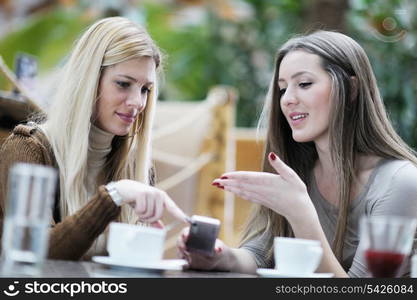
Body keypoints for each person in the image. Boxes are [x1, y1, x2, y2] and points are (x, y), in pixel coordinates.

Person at [177, 30, 417, 277]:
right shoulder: (298, 170)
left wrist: (300, 212)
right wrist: (219, 257)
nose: (287, 99)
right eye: (282, 88)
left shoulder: (399, 182)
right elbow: (261, 255)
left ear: (352, 88)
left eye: (304, 84)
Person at [0, 17, 187, 260]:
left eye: (145, 89)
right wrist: (113, 196)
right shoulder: (27, 149)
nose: (137, 103)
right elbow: (35, 254)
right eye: (123, 84)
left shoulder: (135, 167)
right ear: (88, 79)